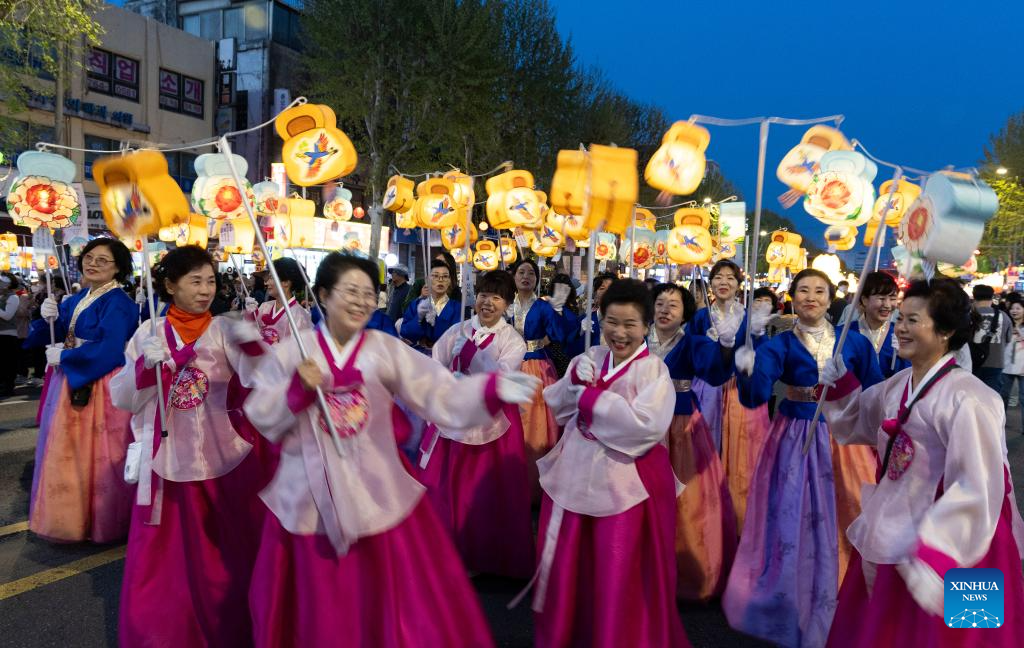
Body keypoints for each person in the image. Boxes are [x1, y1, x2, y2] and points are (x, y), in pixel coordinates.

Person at [242, 252, 539, 648]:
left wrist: (489, 389)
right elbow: (262, 414)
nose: (361, 301)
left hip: (377, 487)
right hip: (308, 493)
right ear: (323, 295)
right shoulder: (295, 351)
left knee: (387, 599)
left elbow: (437, 391)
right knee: (319, 604)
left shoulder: (383, 348)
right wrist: (296, 391)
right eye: (350, 292)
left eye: (368, 293)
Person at [820, 277, 1024, 647]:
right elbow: (858, 422)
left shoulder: (970, 398)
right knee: (888, 629)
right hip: (898, 523)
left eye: (912, 320)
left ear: (945, 331)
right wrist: (841, 385)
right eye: (900, 318)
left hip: (963, 536)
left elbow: (979, 484)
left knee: (968, 635)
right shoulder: (898, 384)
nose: (900, 327)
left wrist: (936, 552)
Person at [110, 245, 270, 647]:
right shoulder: (148, 333)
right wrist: (143, 367)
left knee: (223, 553)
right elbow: (123, 398)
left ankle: (226, 629)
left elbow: (260, 380)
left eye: (210, 281)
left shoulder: (226, 329)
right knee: (163, 558)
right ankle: (164, 633)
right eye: (195, 281)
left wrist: (256, 341)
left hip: (221, 458)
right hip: (164, 461)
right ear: (169, 285)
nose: (205, 290)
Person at [722, 268, 883, 648]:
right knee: (793, 512)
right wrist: (747, 367)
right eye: (804, 290)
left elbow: (876, 393)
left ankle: (848, 587)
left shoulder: (855, 342)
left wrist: (856, 400)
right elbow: (755, 396)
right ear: (792, 297)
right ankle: (795, 589)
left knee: (850, 508)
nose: (811, 297)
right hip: (796, 437)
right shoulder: (778, 345)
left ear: (830, 298)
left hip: (845, 438)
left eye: (819, 291)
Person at [530, 279, 690, 647]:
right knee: (570, 564)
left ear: (646, 326)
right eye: (611, 322)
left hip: (625, 481)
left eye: (630, 324)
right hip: (576, 471)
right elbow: (560, 408)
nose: (619, 333)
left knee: (617, 567)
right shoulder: (590, 357)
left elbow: (646, 428)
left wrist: (593, 399)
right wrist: (573, 380)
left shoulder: (654, 370)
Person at [417, 270, 534, 579]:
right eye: (483, 295)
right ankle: (447, 553)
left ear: (507, 303)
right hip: (454, 415)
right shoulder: (457, 330)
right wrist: (446, 379)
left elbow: (502, 377)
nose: (488, 302)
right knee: (447, 485)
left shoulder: (513, 340)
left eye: (497, 297)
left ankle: (486, 558)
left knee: (484, 491)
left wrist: (473, 355)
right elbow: (435, 363)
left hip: (492, 422)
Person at [20, 240, 138, 542]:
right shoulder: (77, 298)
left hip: (100, 383)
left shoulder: (119, 303)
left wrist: (67, 356)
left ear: (118, 268)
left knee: (98, 453)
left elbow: (111, 349)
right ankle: (71, 518)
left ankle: (101, 520)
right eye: (89, 257)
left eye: (103, 260)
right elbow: (58, 331)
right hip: (71, 378)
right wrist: (45, 317)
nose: (93, 264)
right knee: (68, 451)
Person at [657, 282, 738, 601]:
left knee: (687, 498)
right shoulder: (637, 337)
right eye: (660, 303)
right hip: (640, 423)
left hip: (680, 425)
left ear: (685, 314)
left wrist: (726, 347)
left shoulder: (693, 342)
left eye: (673, 305)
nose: (665, 310)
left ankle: (685, 570)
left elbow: (715, 371)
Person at [684, 259, 771, 530]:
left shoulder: (748, 317)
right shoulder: (701, 318)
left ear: (738, 284)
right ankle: (704, 514)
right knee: (703, 451)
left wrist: (758, 335)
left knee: (741, 457)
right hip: (705, 389)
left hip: (737, 390)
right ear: (710, 283)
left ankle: (738, 517)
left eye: (730, 278)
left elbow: (762, 355)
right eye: (718, 277)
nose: (724, 282)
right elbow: (689, 352)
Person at [506, 259, 578, 498]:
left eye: (531, 273)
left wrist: (558, 308)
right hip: (507, 365)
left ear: (537, 279)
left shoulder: (543, 306)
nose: (526, 276)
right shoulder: (505, 304)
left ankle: (533, 485)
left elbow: (561, 332)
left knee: (535, 423)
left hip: (536, 366)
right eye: (521, 272)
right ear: (514, 277)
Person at [846, 272, 908, 379]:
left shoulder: (901, 333)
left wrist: (905, 354)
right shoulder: (846, 333)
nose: (887, 305)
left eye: (892, 299)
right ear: (864, 300)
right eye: (881, 298)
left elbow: (910, 375)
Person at [244, 257, 312, 347]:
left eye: (271, 277)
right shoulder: (265, 306)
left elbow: (298, 352)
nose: (266, 283)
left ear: (286, 282)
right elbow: (251, 336)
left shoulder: (299, 316)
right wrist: (250, 317)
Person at [400, 259, 462, 353]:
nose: (440, 280)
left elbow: (456, 337)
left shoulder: (457, 308)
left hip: (444, 357)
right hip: (417, 355)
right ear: (427, 280)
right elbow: (405, 333)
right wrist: (419, 317)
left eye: (445, 276)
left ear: (449, 281)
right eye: (436, 276)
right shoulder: (416, 304)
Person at [970, 284, 1013, 393]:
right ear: (992, 297)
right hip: (995, 362)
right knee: (992, 397)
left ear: (974, 297)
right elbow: (1008, 339)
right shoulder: (1004, 316)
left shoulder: (968, 315)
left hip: (971, 362)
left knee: (972, 396)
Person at [1002, 298, 1024, 435]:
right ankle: (999, 423)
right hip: (1006, 366)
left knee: (1023, 399)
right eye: (1012, 308)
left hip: (1023, 367)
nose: (1014, 311)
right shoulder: (1005, 323)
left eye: (1018, 308)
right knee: (1003, 396)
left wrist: (1020, 333)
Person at [0, 273, 21, 398]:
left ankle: (8, 388)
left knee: (8, 363)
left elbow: (8, 315)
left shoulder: (13, 297)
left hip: (8, 335)